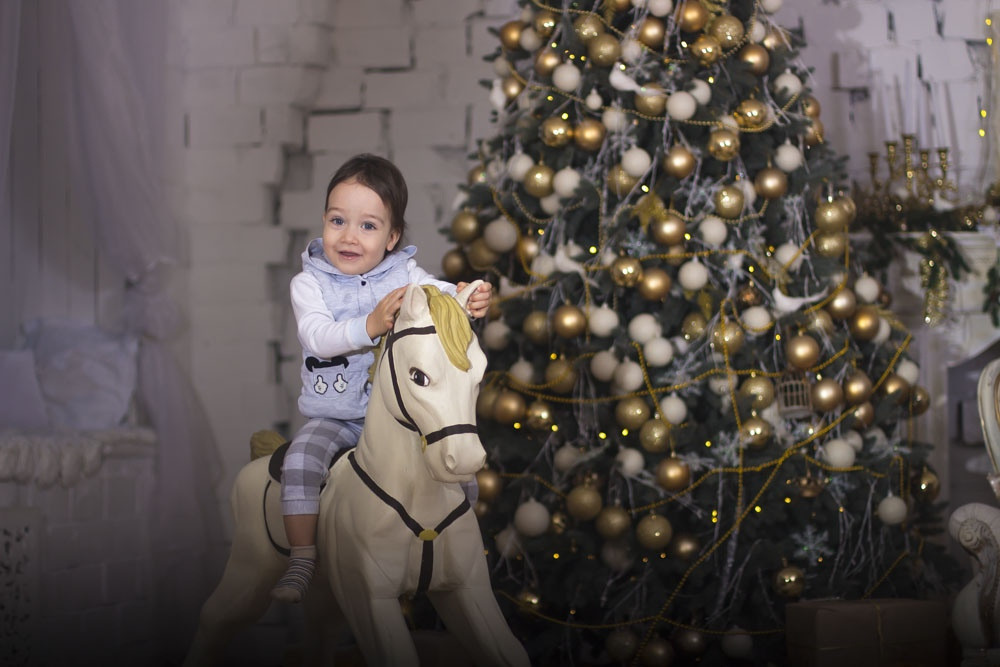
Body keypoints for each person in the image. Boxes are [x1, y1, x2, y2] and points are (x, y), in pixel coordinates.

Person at [271, 153, 492, 603]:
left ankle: (455, 545)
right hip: (336, 416)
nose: (349, 236)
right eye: (337, 220)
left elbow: (438, 294)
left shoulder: (404, 275)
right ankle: (303, 555)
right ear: (323, 221)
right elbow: (317, 336)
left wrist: (466, 296)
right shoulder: (309, 284)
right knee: (300, 462)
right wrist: (369, 325)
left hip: (396, 422)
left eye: (368, 226)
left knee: (457, 473)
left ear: (392, 238)